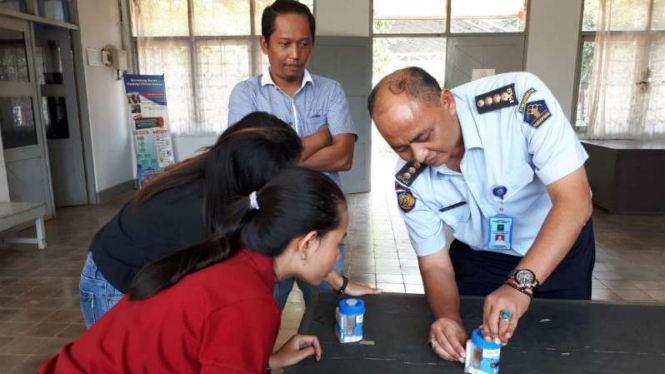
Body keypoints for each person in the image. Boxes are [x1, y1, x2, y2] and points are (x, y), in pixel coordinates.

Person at [368, 67, 594, 363]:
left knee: (562, 353)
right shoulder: (408, 181)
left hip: (558, 250)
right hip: (480, 261)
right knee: (474, 354)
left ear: (447, 102)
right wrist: (447, 317)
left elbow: (574, 202)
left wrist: (518, 285)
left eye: (424, 136)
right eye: (402, 148)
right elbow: (435, 264)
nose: (419, 155)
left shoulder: (519, 102)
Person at [41, 167, 348, 374]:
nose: (337, 256)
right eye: (338, 242)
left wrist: (264, 360)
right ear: (307, 243)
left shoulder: (234, 257)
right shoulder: (249, 302)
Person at [228, 0, 376, 309]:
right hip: (268, 229)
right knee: (262, 312)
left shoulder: (330, 90)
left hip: (323, 227)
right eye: (284, 44)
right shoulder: (246, 94)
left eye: (304, 44)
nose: (295, 55)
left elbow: (343, 157)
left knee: (326, 311)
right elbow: (249, 164)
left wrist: (277, 157)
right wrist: (320, 138)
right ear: (264, 44)